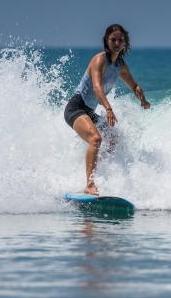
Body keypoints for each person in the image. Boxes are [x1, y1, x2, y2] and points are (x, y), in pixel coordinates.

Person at [64, 24, 150, 195]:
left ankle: (99, 173)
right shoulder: (99, 60)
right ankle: (89, 184)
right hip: (76, 108)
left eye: (120, 40)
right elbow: (97, 87)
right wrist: (108, 108)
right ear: (106, 41)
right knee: (96, 139)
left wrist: (141, 97)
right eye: (113, 39)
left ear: (125, 43)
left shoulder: (120, 65)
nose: (117, 42)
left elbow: (133, 86)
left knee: (113, 140)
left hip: (89, 111)